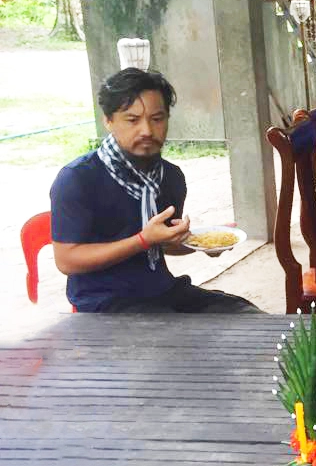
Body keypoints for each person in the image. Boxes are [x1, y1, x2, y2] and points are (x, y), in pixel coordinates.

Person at [49, 68, 260, 313]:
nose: (147, 130)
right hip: (105, 303)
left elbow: (164, 244)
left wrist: (202, 243)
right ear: (108, 120)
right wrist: (142, 240)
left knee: (248, 316)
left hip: (163, 291)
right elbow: (66, 260)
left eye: (157, 118)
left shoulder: (170, 176)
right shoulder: (78, 178)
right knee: (182, 340)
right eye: (132, 120)